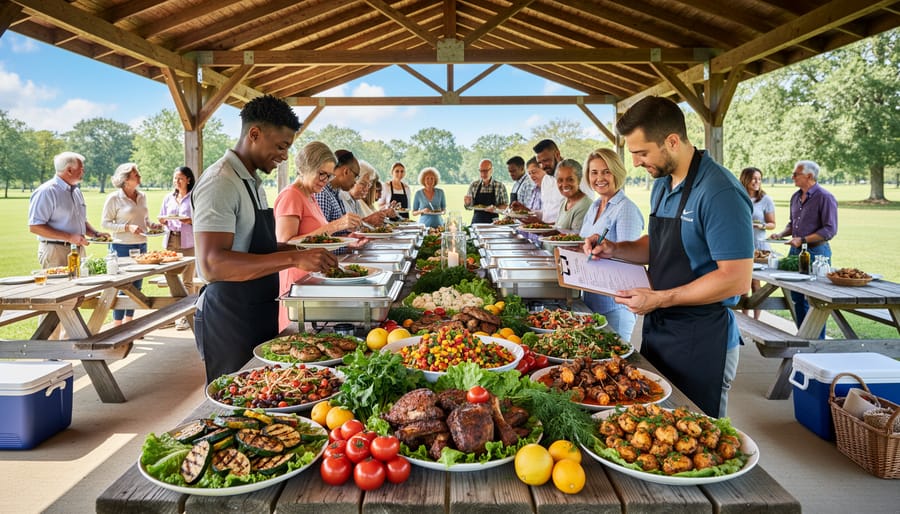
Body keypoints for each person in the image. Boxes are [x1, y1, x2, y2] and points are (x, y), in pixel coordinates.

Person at [587, 96, 753, 417]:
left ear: (672, 141)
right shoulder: (662, 184)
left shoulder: (720, 192)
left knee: (696, 437)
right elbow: (659, 243)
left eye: (641, 152)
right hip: (660, 330)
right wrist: (614, 249)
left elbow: (736, 278)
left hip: (702, 338)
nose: (634, 162)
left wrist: (661, 298)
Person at [192, 95, 338, 382]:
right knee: (236, 403)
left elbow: (255, 247)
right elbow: (212, 263)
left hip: (257, 306)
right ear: (254, 134)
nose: (284, 156)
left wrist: (304, 250)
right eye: (281, 146)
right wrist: (295, 257)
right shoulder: (220, 181)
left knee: (268, 392)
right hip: (229, 315)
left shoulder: (251, 181)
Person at [274, 141, 361, 331]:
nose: (325, 180)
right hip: (297, 283)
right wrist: (336, 225)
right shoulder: (291, 195)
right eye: (322, 174)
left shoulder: (310, 195)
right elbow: (285, 243)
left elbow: (315, 236)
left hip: (313, 279)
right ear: (306, 168)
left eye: (329, 176)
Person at [579, 148, 644, 341]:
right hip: (591, 301)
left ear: (617, 172)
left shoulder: (626, 210)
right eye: (594, 172)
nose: (600, 177)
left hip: (615, 307)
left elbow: (630, 262)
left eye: (606, 171)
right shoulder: (594, 206)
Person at [770, 160, 837, 337]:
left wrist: (803, 239)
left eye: (796, 174)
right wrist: (781, 234)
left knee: (815, 300)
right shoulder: (795, 197)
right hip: (795, 252)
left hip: (816, 253)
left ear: (809, 176)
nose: (792, 177)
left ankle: (817, 342)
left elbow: (829, 230)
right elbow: (793, 224)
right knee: (797, 298)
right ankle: (804, 338)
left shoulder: (825, 197)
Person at [102, 163, 162, 326]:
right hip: (122, 246)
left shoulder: (142, 196)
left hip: (141, 245)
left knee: (137, 287)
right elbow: (105, 224)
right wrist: (127, 227)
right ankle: (117, 325)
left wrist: (152, 225)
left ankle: (130, 322)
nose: (139, 177)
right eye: (136, 175)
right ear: (126, 179)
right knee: (123, 287)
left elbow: (145, 220)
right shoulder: (114, 198)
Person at [28, 152, 108, 268]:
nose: (83, 172)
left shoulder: (76, 191)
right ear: (69, 170)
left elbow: (81, 221)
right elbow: (35, 226)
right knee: (60, 286)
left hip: (78, 250)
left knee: (82, 286)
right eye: (81, 169)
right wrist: (69, 237)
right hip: (56, 252)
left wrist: (95, 234)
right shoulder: (46, 192)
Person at [158, 166, 198, 330]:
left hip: (188, 241)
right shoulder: (168, 198)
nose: (177, 181)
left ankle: (185, 317)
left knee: (187, 280)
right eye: (175, 178)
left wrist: (190, 220)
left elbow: (202, 218)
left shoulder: (194, 197)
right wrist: (163, 221)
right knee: (171, 279)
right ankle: (172, 315)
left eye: (180, 178)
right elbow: (163, 216)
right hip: (171, 240)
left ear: (188, 179)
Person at [740, 166, 776, 320]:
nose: (757, 182)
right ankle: (745, 319)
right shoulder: (737, 197)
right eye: (754, 178)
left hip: (759, 247)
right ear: (745, 179)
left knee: (756, 284)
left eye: (759, 179)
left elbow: (772, 223)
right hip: (741, 245)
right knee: (743, 286)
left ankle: (756, 320)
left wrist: (761, 225)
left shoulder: (765, 199)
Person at [313, 149, 364, 235]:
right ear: (346, 171)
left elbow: (337, 233)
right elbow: (320, 237)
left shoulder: (336, 193)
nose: (355, 182)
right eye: (356, 176)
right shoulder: (323, 194)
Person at [340, 160, 389, 225]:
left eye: (369, 185)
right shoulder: (341, 198)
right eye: (363, 184)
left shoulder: (356, 201)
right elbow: (345, 230)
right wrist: (369, 220)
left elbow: (362, 226)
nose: (366, 189)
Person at [550, 159, 591, 232]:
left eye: (570, 180)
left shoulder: (585, 205)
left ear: (579, 180)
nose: (564, 184)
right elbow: (559, 228)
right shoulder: (565, 202)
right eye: (560, 180)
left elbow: (575, 239)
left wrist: (545, 233)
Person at [463, 159, 508, 224]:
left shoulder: (500, 186)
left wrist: (496, 208)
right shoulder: (474, 185)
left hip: (494, 223)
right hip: (477, 222)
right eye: (481, 171)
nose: (483, 173)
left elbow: (506, 207)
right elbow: (469, 207)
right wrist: (467, 203)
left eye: (486, 170)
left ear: (491, 170)